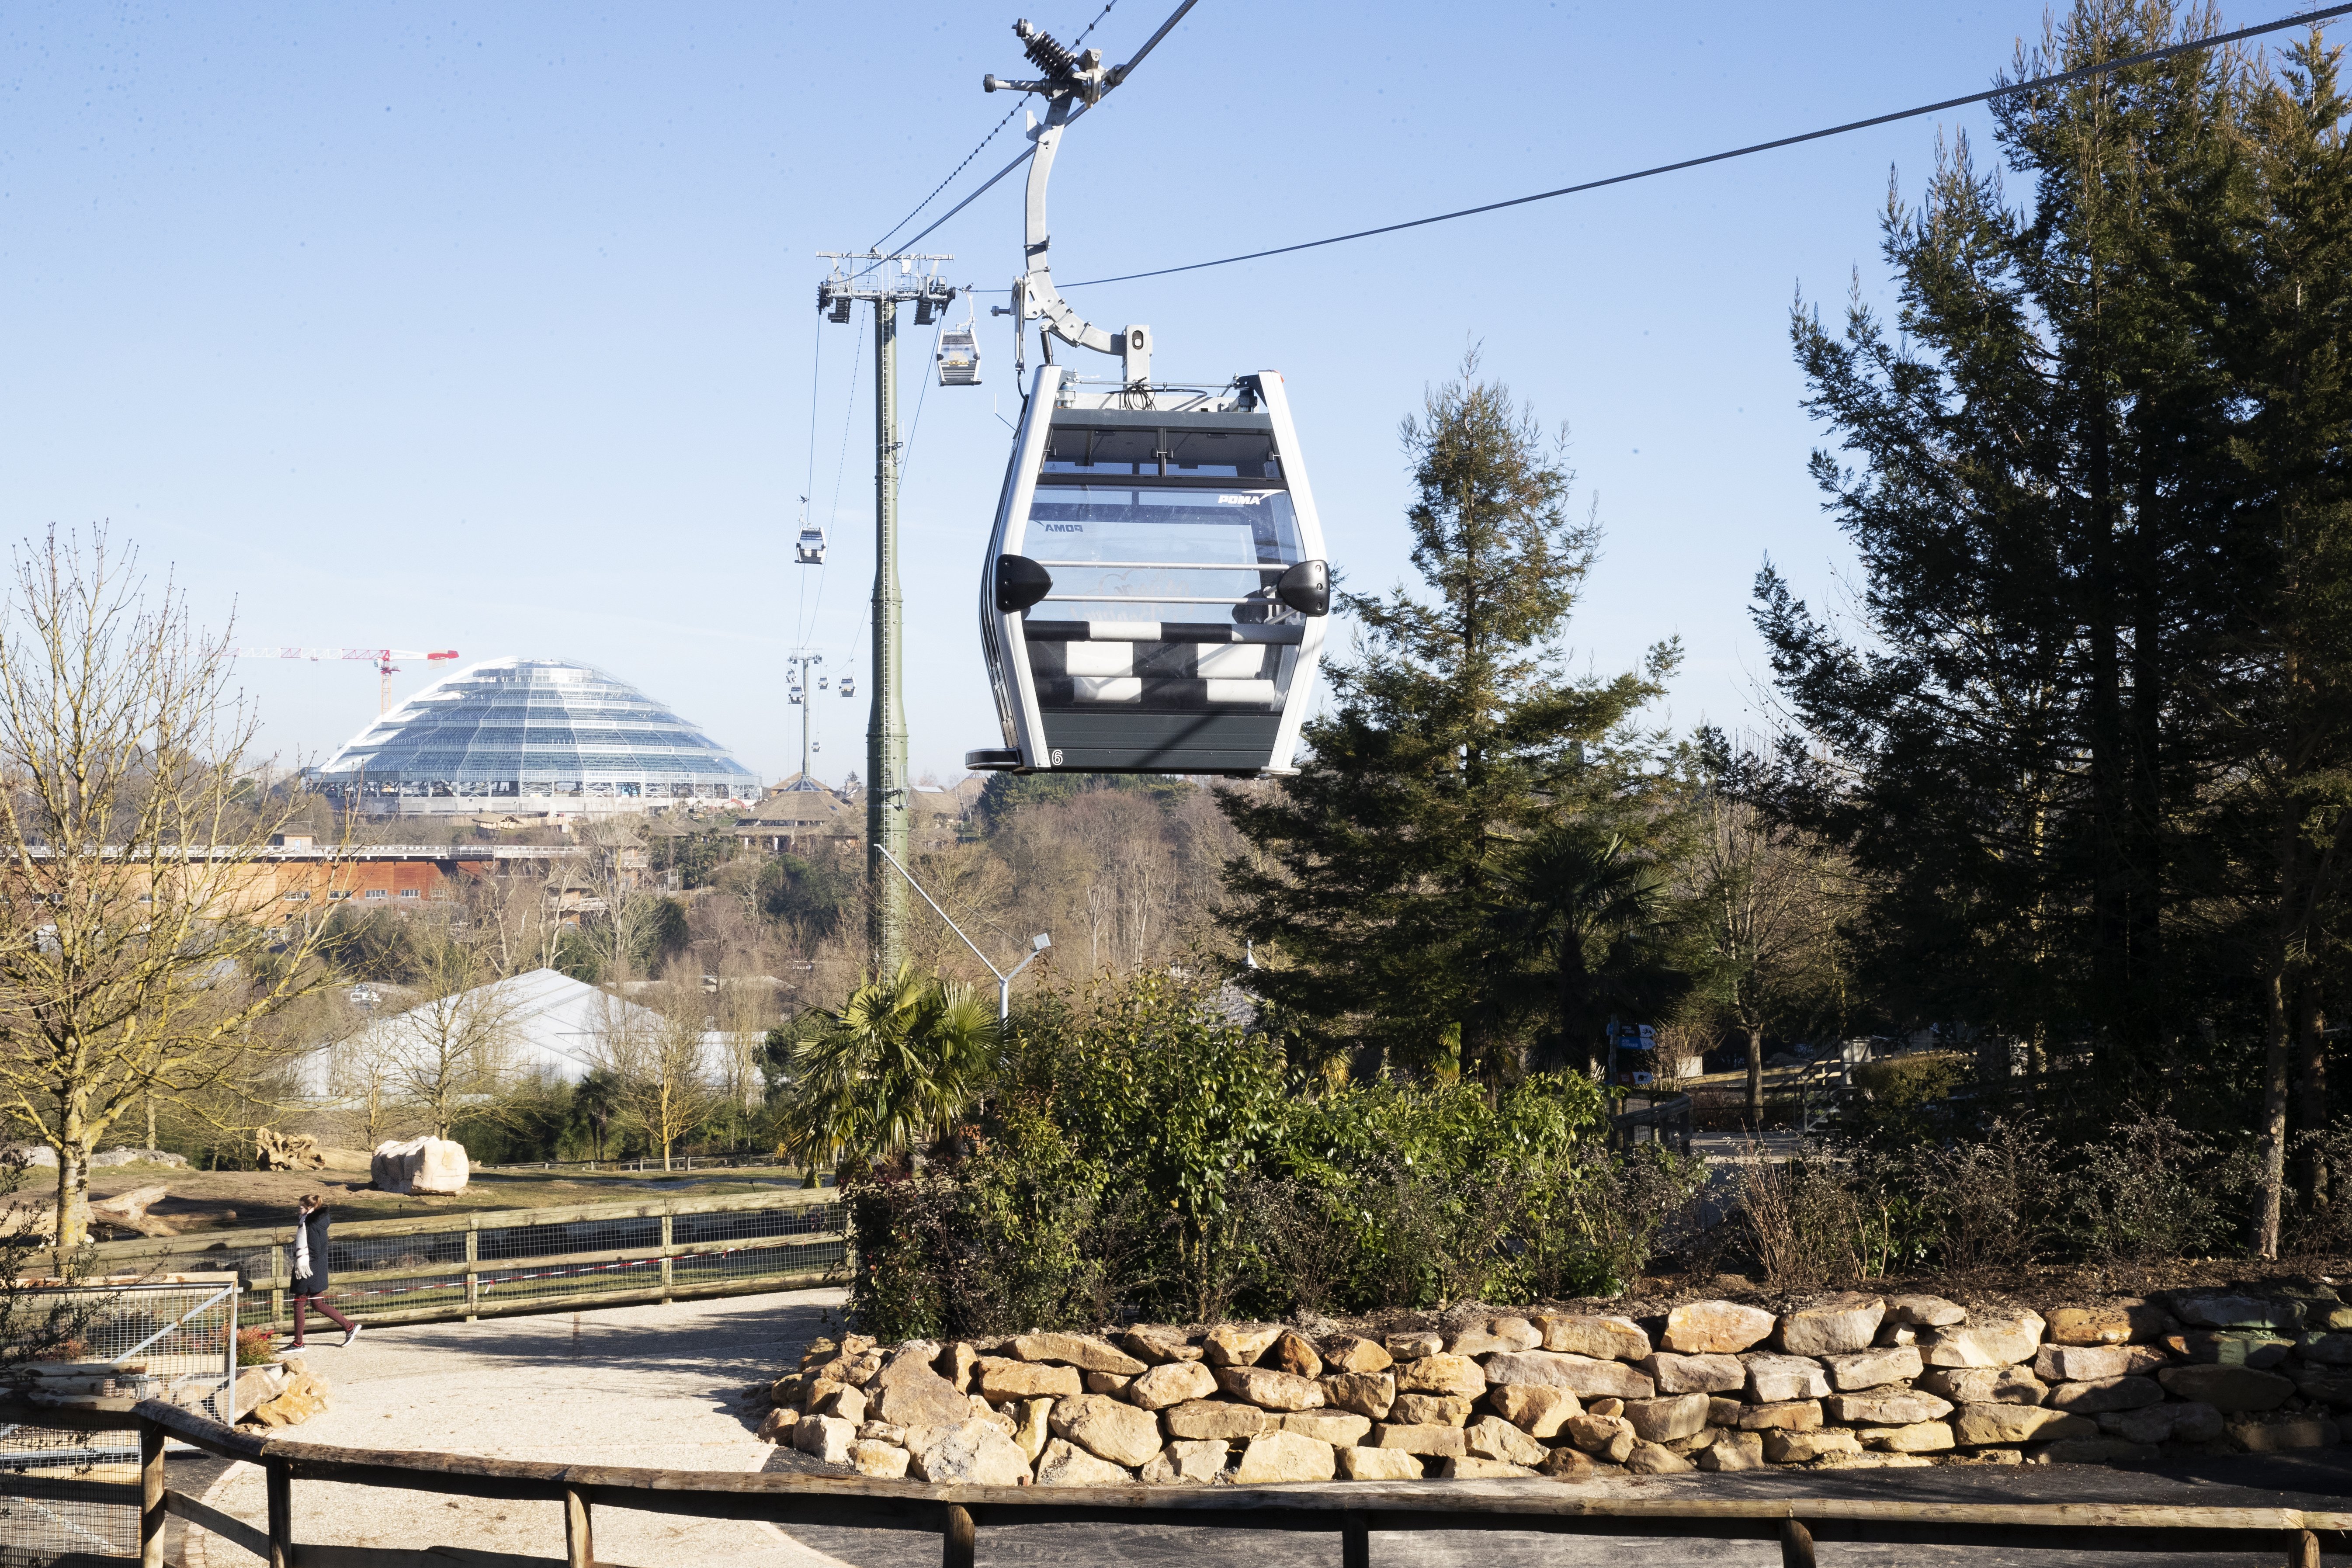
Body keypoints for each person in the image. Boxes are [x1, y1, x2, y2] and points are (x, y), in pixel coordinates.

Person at [287, 1193, 362, 1351]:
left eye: (300, 1207)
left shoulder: (310, 1224)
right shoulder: (317, 1222)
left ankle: (298, 1343)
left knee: (299, 1303)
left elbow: (314, 1250)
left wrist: (303, 1265)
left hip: (309, 1270)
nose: (298, 1210)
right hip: (318, 1268)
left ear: (309, 1208)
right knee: (317, 1304)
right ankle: (350, 1327)